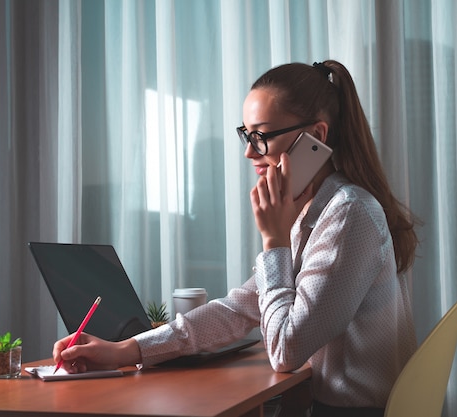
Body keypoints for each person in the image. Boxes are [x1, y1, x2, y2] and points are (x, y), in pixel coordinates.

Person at [53, 60, 419, 417]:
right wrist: (125, 350)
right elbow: (241, 306)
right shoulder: (313, 209)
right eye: (246, 135)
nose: (248, 151)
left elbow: (286, 350)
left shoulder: (349, 212)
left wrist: (275, 240)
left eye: (261, 136)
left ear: (316, 137)